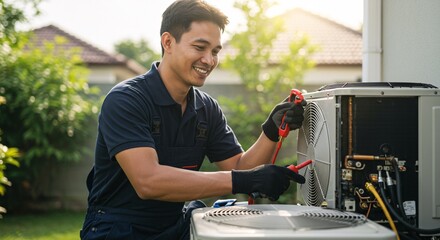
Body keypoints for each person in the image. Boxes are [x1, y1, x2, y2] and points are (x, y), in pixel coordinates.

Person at [80, 0, 306, 239]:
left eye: (215, 51)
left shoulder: (206, 108)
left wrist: (271, 130)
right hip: (117, 227)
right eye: (200, 47)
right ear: (168, 42)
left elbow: (240, 168)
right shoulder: (126, 99)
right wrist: (242, 181)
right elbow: (148, 181)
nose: (209, 60)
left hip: (175, 225)